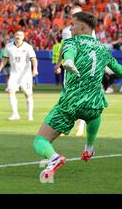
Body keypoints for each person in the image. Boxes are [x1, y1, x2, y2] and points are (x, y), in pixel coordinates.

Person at [35, 12, 122, 182]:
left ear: (82, 26)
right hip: (93, 101)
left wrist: (68, 61)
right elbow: (119, 69)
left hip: (71, 101)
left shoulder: (71, 42)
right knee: (95, 114)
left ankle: (54, 158)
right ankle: (89, 148)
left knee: (40, 140)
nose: (70, 27)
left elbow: (69, 53)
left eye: (73, 24)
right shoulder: (102, 48)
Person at [54, 6, 91, 136]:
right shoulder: (66, 31)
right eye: (72, 14)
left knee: (81, 97)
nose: (73, 16)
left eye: (76, 13)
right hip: (69, 67)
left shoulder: (89, 30)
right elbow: (64, 46)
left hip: (83, 67)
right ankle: (66, 125)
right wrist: (59, 63)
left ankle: (81, 126)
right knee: (68, 96)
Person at [0, 30, 38, 121]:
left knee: (28, 94)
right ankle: (15, 114)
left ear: (23, 37)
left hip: (25, 75)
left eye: (21, 35)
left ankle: (30, 115)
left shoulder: (28, 47)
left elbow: (34, 59)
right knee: (10, 91)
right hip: (14, 74)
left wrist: (35, 69)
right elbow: (4, 59)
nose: (18, 36)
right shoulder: (9, 46)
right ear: (14, 36)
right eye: (17, 35)